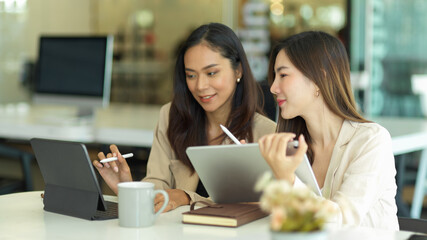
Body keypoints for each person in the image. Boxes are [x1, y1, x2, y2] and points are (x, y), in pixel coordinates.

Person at [93, 23, 276, 213]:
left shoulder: (268, 134)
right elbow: (158, 187)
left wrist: (186, 197)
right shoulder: (171, 117)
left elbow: (258, 205)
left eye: (211, 73)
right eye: (191, 75)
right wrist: (130, 190)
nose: (200, 86)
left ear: (238, 70)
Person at [258, 31, 398, 230]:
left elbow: (342, 220)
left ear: (318, 78)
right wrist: (253, 171)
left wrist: (288, 179)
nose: (273, 88)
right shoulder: (292, 147)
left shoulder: (371, 141)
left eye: (283, 75)